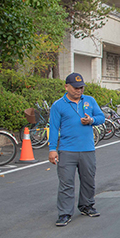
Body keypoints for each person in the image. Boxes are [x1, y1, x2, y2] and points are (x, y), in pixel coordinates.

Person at [48, 73, 106, 227]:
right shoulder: (58, 105)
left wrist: (91, 120)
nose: (79, 90)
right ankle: (65, 213)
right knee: (66, 182)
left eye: (81, 87)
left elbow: (101, 117)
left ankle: (87, 205)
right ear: (66, 87)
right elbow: (53, 128)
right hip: (67, 150)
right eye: (75, 88)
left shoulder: (89, 101)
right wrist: (52, 149)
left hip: (87, 149)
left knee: (88, 180)